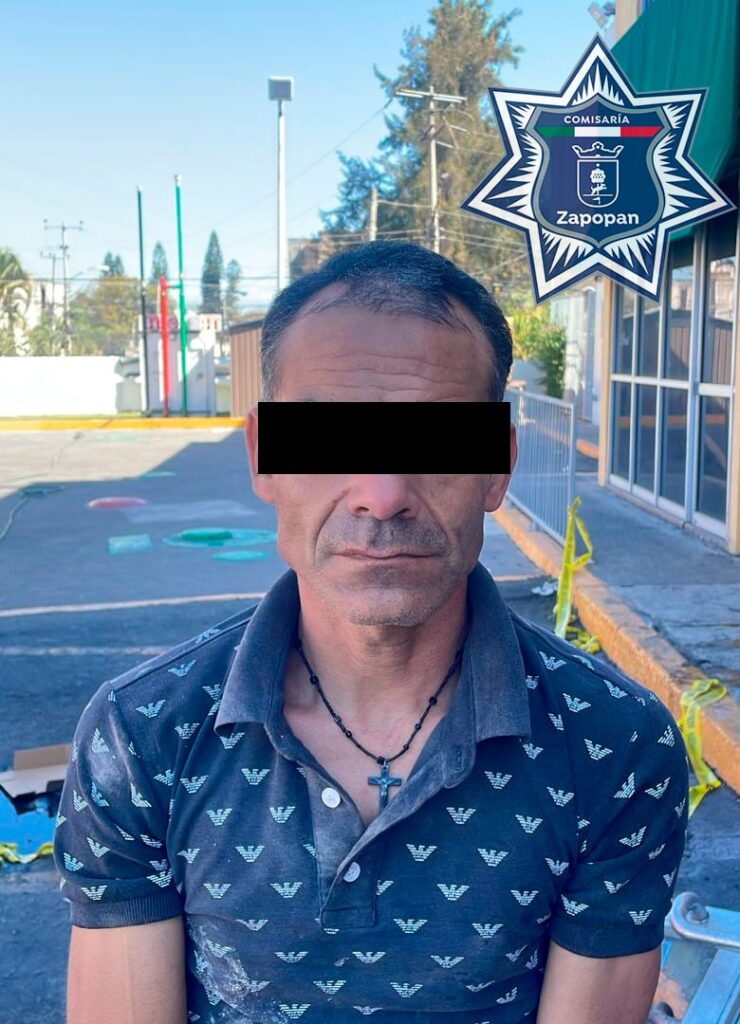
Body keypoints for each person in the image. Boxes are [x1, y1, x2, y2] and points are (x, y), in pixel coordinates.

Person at [53, 240, 689, 1024]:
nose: (383, 495)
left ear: (498, 467)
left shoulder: (616, 744)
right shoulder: (142, 735)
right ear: (265, 458)